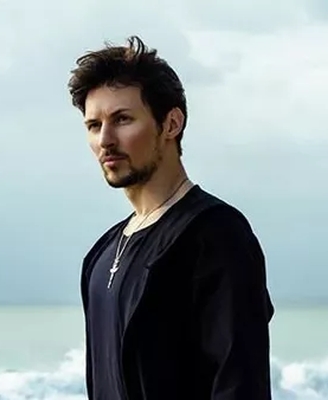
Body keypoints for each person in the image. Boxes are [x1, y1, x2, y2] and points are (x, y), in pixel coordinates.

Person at [67, 35, 275, 400]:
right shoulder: (101, 255)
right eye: (94, 125)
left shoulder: (216, 234)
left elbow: (241, 383)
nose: (106, 140)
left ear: (171, 124)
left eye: (122, 119)